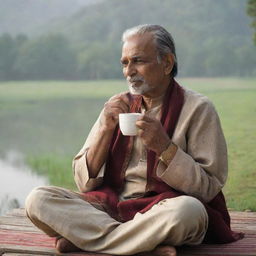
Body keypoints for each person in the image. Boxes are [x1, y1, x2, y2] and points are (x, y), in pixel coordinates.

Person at [25, 24, 242, 256]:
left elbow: (207, 188)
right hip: (111, 206)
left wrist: (164, 147)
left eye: (138, 60)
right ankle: (145, 245)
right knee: (38, 200)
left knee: (188, 212)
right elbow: (83, 183)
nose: (129, 71)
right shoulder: (117, 105)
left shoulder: (199, 109)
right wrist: (106, 129)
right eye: (125, 63)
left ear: (167, 63)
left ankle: (86, 240)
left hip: (165, 209)